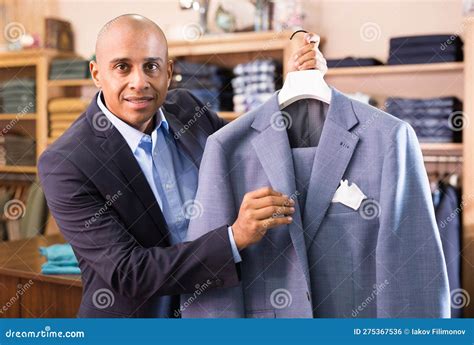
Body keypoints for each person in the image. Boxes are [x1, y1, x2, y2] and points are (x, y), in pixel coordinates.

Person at [38, 14, 328, 317]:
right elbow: (129, 272)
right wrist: (235, 237)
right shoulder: (65, 163)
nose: (139, 82)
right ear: (97, 73)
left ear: (168, 71)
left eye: (151, 66)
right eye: (122, 67)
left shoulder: (187, 109)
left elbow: (254, 143)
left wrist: (296, 80)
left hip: (214, 310)